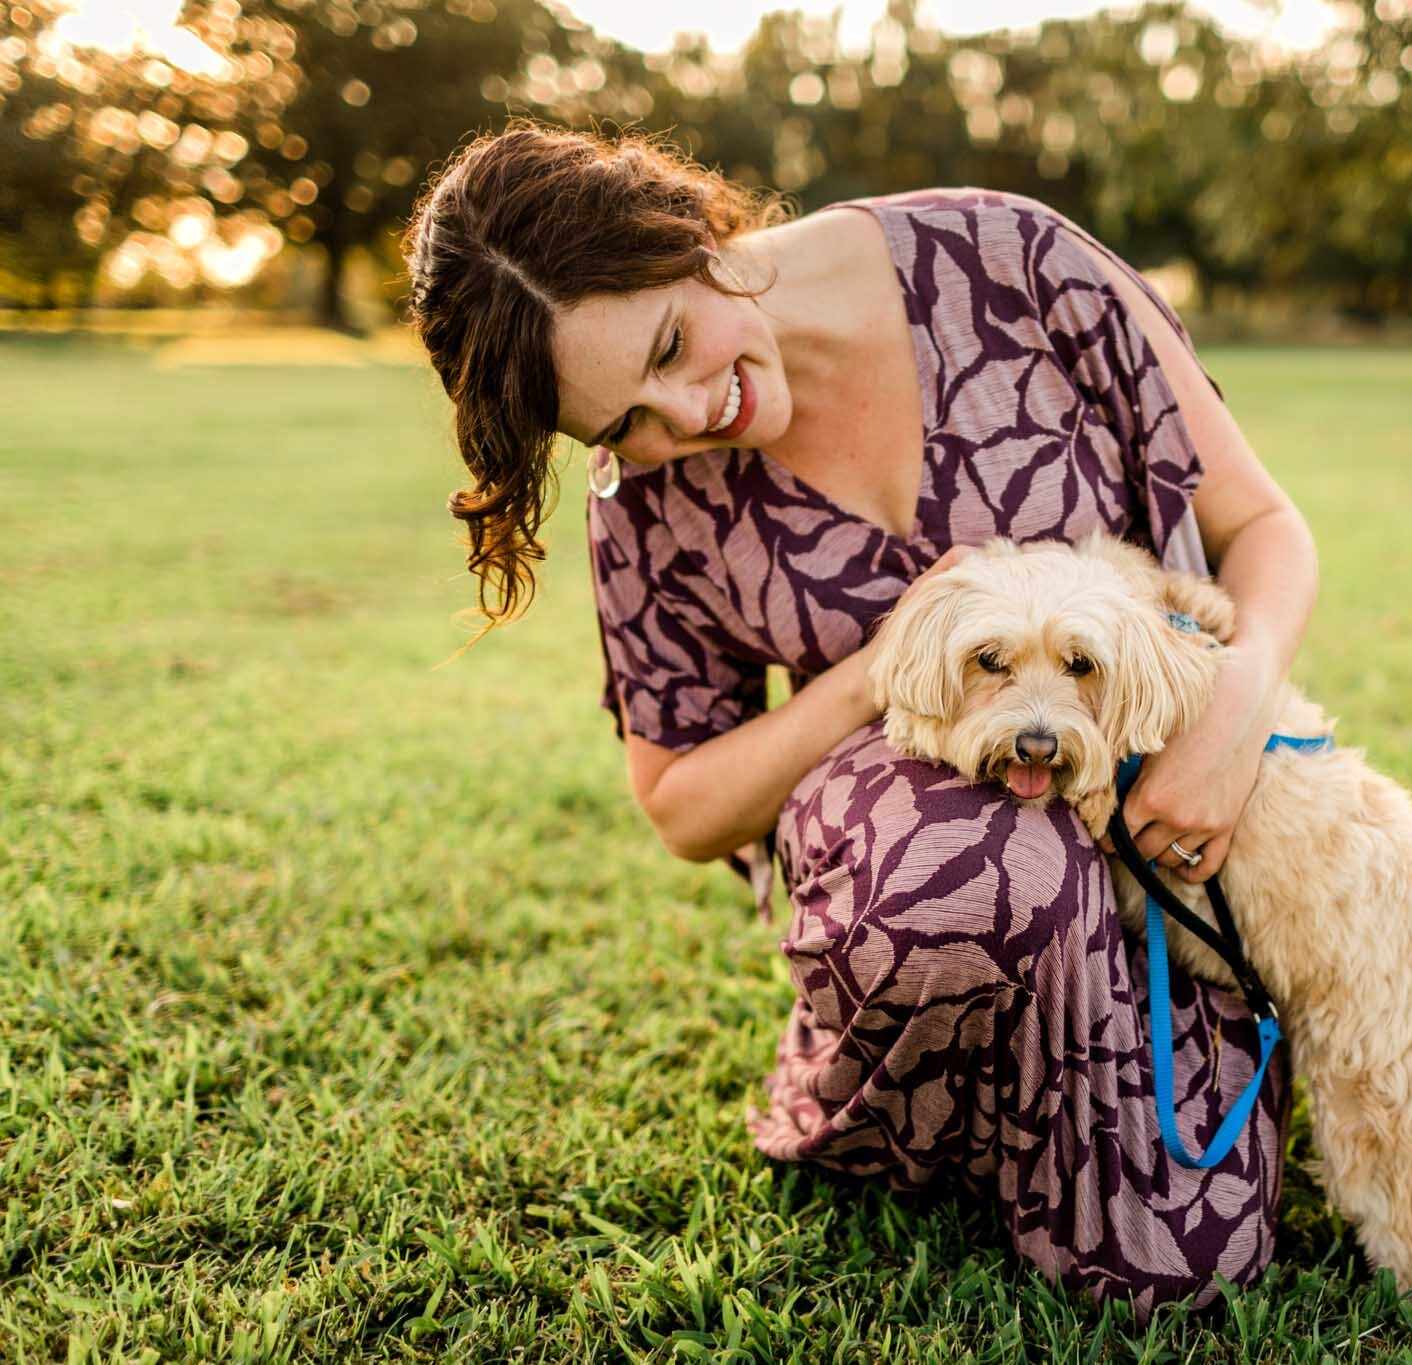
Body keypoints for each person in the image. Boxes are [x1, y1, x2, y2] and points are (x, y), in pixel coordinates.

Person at [402, 120, 1320, 1316]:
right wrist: (867, 673)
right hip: (916, 883)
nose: (687, 417)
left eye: (674, 344)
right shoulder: (645, 499)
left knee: (1180, 1276)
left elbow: (1262, 529)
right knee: (977, 858)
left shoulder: (1011, 260)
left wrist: (1234, 713)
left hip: (1156, 853)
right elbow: (681, 806)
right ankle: (915, 1113)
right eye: (621, 422)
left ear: (689, 236)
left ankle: (1141, 1085)